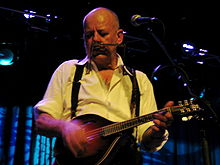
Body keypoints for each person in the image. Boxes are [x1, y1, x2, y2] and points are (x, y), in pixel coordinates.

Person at [34, 7, 174, 165]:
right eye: (89, 35)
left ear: (119, 37)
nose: (96, 40)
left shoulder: (139, 80)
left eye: (103, 33)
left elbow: (147, 141)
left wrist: (156, 133)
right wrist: (64, 127)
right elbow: (41, 121)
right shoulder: (68, 70)